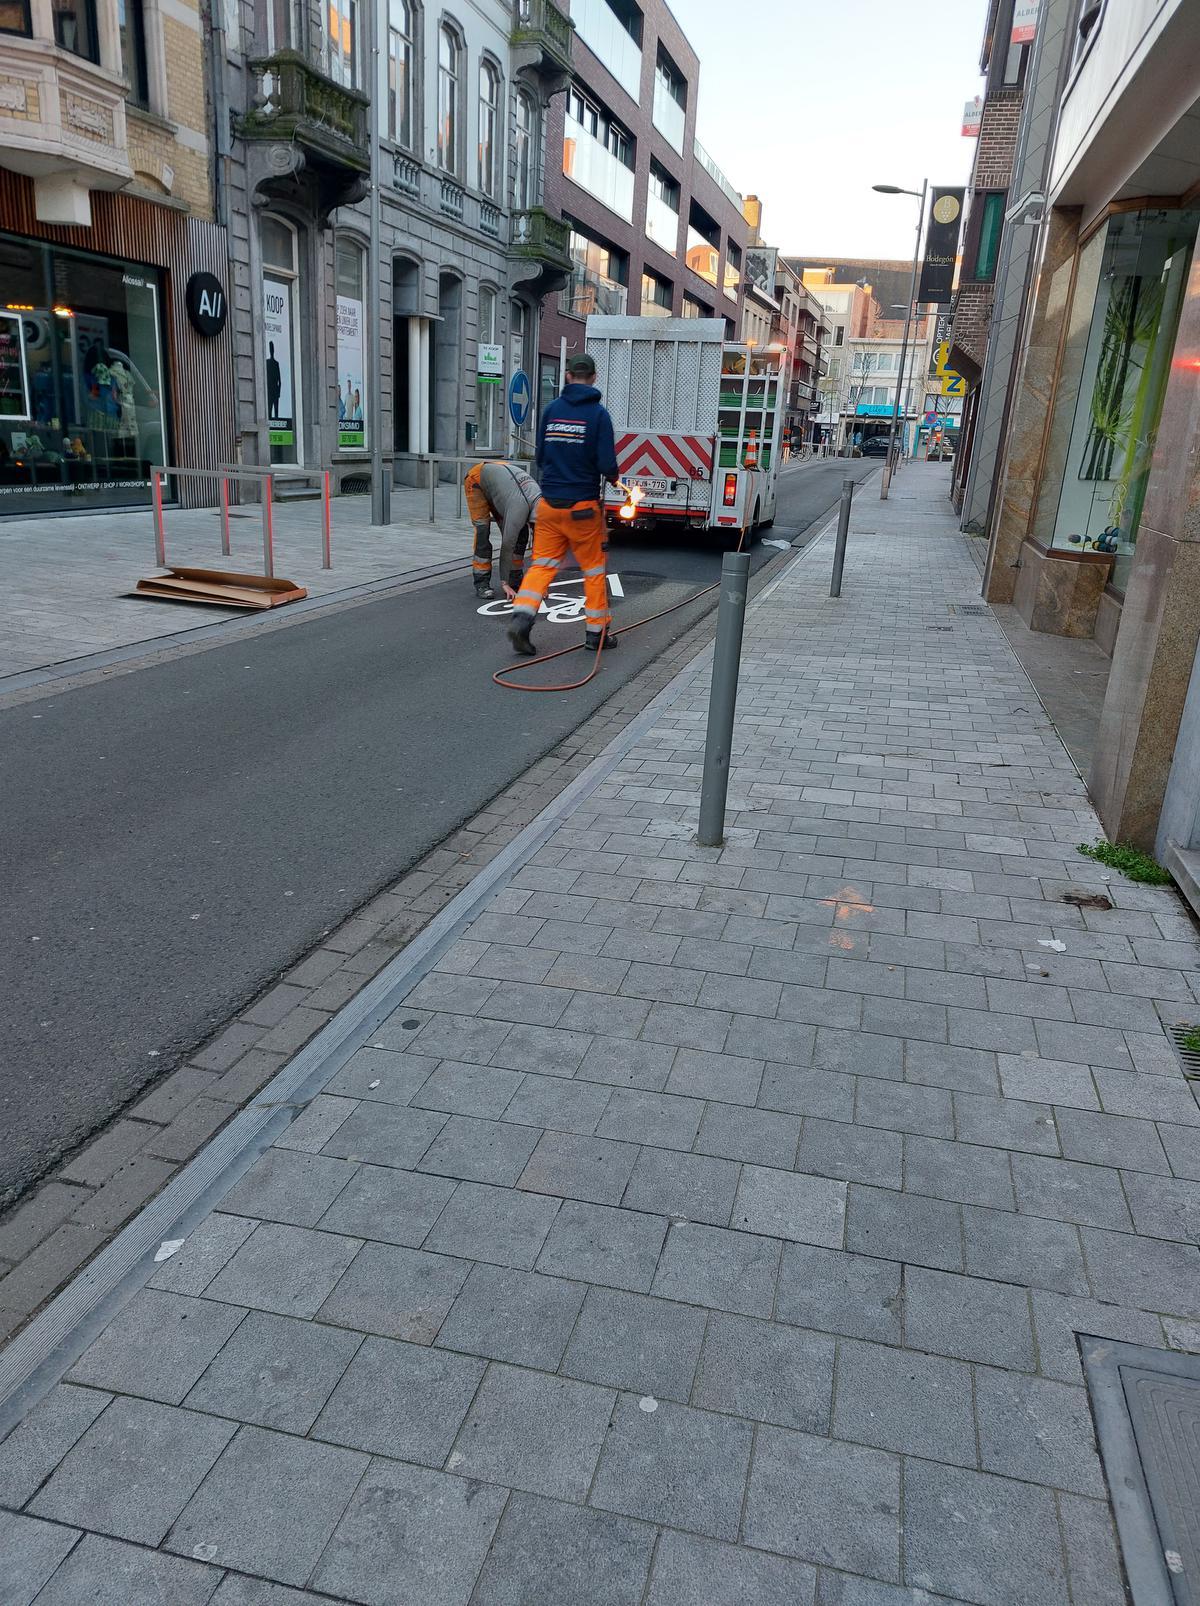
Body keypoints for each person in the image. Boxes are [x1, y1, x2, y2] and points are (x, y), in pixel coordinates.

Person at [507, 353, 620, 657]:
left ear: (568, 376)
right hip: (583, 509)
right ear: (594, 378)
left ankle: (522, 619)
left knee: (542, 565)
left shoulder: (551, 410)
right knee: (594, 571)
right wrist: (613, 476)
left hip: (548, 506)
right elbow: (607, 463)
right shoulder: (598, 415)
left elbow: (541, 456)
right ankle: (596, 635)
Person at [463, 459, 541, 600]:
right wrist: (504, 583)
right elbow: (507, 544)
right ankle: (482, 582)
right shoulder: (519, 507)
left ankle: (515, 579)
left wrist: (541, 583)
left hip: (503, 484)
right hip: (477, 481)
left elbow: (540, 545)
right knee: (483, 532)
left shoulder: (541, 501)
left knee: (521, 534)